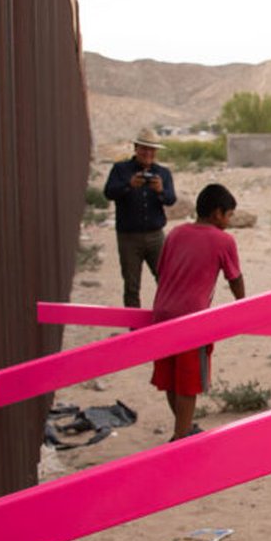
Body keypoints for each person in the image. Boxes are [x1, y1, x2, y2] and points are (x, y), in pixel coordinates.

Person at [150, 183, 244, 441]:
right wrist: (243, 305)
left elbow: (161, 270)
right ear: (217, 213)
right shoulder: (223, 240)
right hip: (192, 319)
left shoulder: (176, 233)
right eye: (229, 215)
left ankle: (184, 427)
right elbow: (234, 277)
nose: (229, 221)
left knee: (170, 378)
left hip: (162, 313)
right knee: (188, 382)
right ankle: (181, 436)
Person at [104, 127, 177, 307]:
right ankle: (134, 332)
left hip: (156, 236)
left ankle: (165, 322)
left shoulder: (163, 173)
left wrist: (160, 191)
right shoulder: (120, 170)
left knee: (166, 281)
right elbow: (108, 193)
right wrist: (128, 186)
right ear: (136, 148)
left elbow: (171, 200)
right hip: (128, 237)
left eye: (152, 149)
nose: (148, 153)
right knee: (131, 286)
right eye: (144, 148)